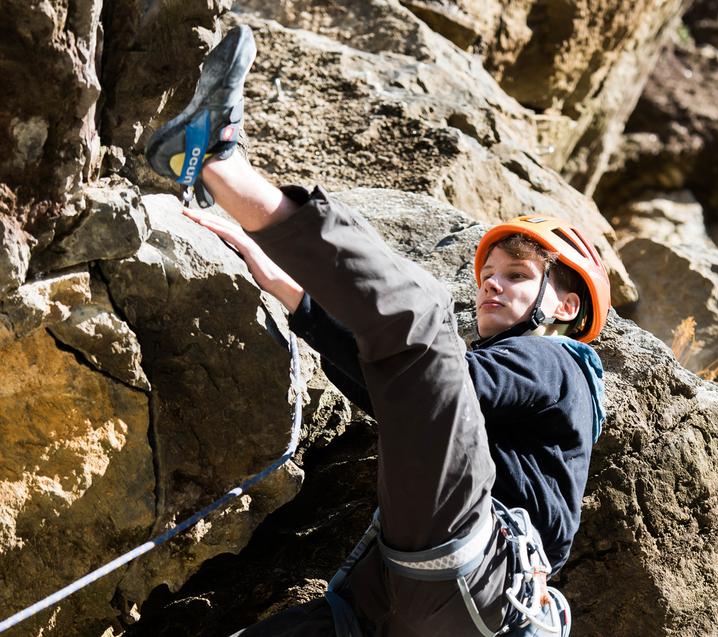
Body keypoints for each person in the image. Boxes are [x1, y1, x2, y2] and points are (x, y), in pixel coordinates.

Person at [145, 25, 610, 637]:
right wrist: (293, 293)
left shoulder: (560, 363)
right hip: (413, 600)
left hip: (480, 570)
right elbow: (397, 392)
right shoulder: (486, 402)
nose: (491, 286)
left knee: (422, 318)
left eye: (517, 275)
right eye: (488, 274)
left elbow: (432, 369)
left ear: (568, 305)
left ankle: (220, 161)